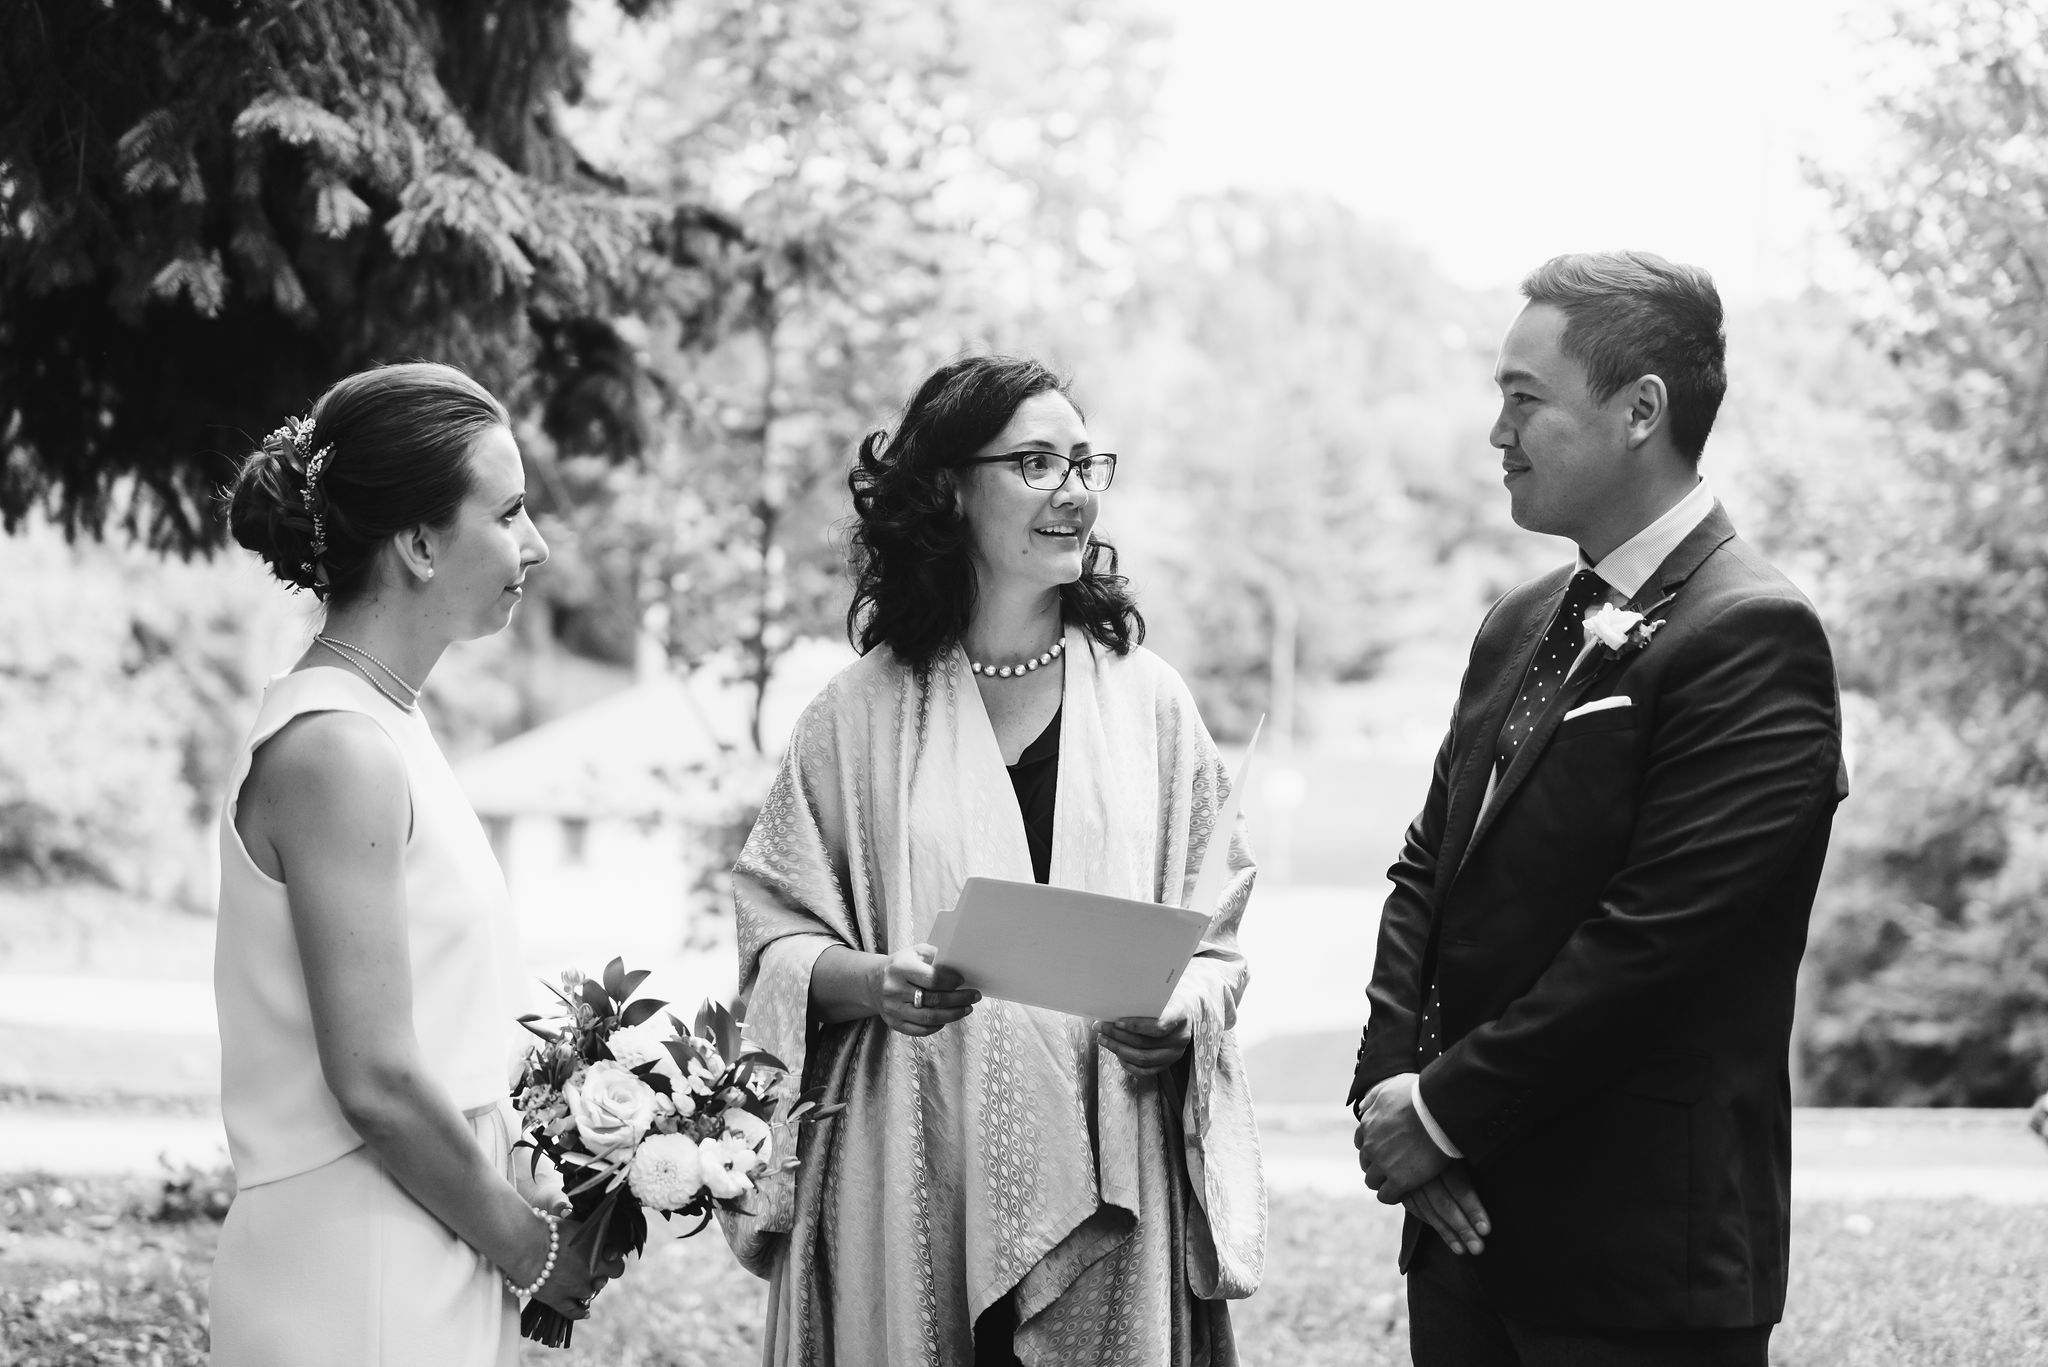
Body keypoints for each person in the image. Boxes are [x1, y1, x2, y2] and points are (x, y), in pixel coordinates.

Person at [1348, 253, 1848, 1366]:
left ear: (1638, 410)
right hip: (1462, 1232)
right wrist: (1392, 1090)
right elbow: (1428, 867)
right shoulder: (1517, 621)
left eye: (1522, 398)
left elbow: (1655, 939)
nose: (1496, 432)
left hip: (1633, 1264)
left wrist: (1440, 1113)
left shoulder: (1751, 634)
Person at [725, 354, 1265, 1366]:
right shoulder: (856, 715)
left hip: (1118, 1153)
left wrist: (1181, 1010)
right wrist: (876, 982)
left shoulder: (1150, 704)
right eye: (1033, 463)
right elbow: (773, 937)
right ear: (947, 489)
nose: (1074, 489)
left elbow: (1217, 945)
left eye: (1082, 460)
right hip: (915, 1160)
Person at [210, 362, 620, 1366]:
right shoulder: (336, 750)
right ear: (421, 542)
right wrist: (528, 1249)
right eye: (510, 512)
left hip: (424, 1232)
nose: (537, 543)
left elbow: (439, 1030)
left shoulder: (388, 725)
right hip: (356, 1264)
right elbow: (378, 1078)